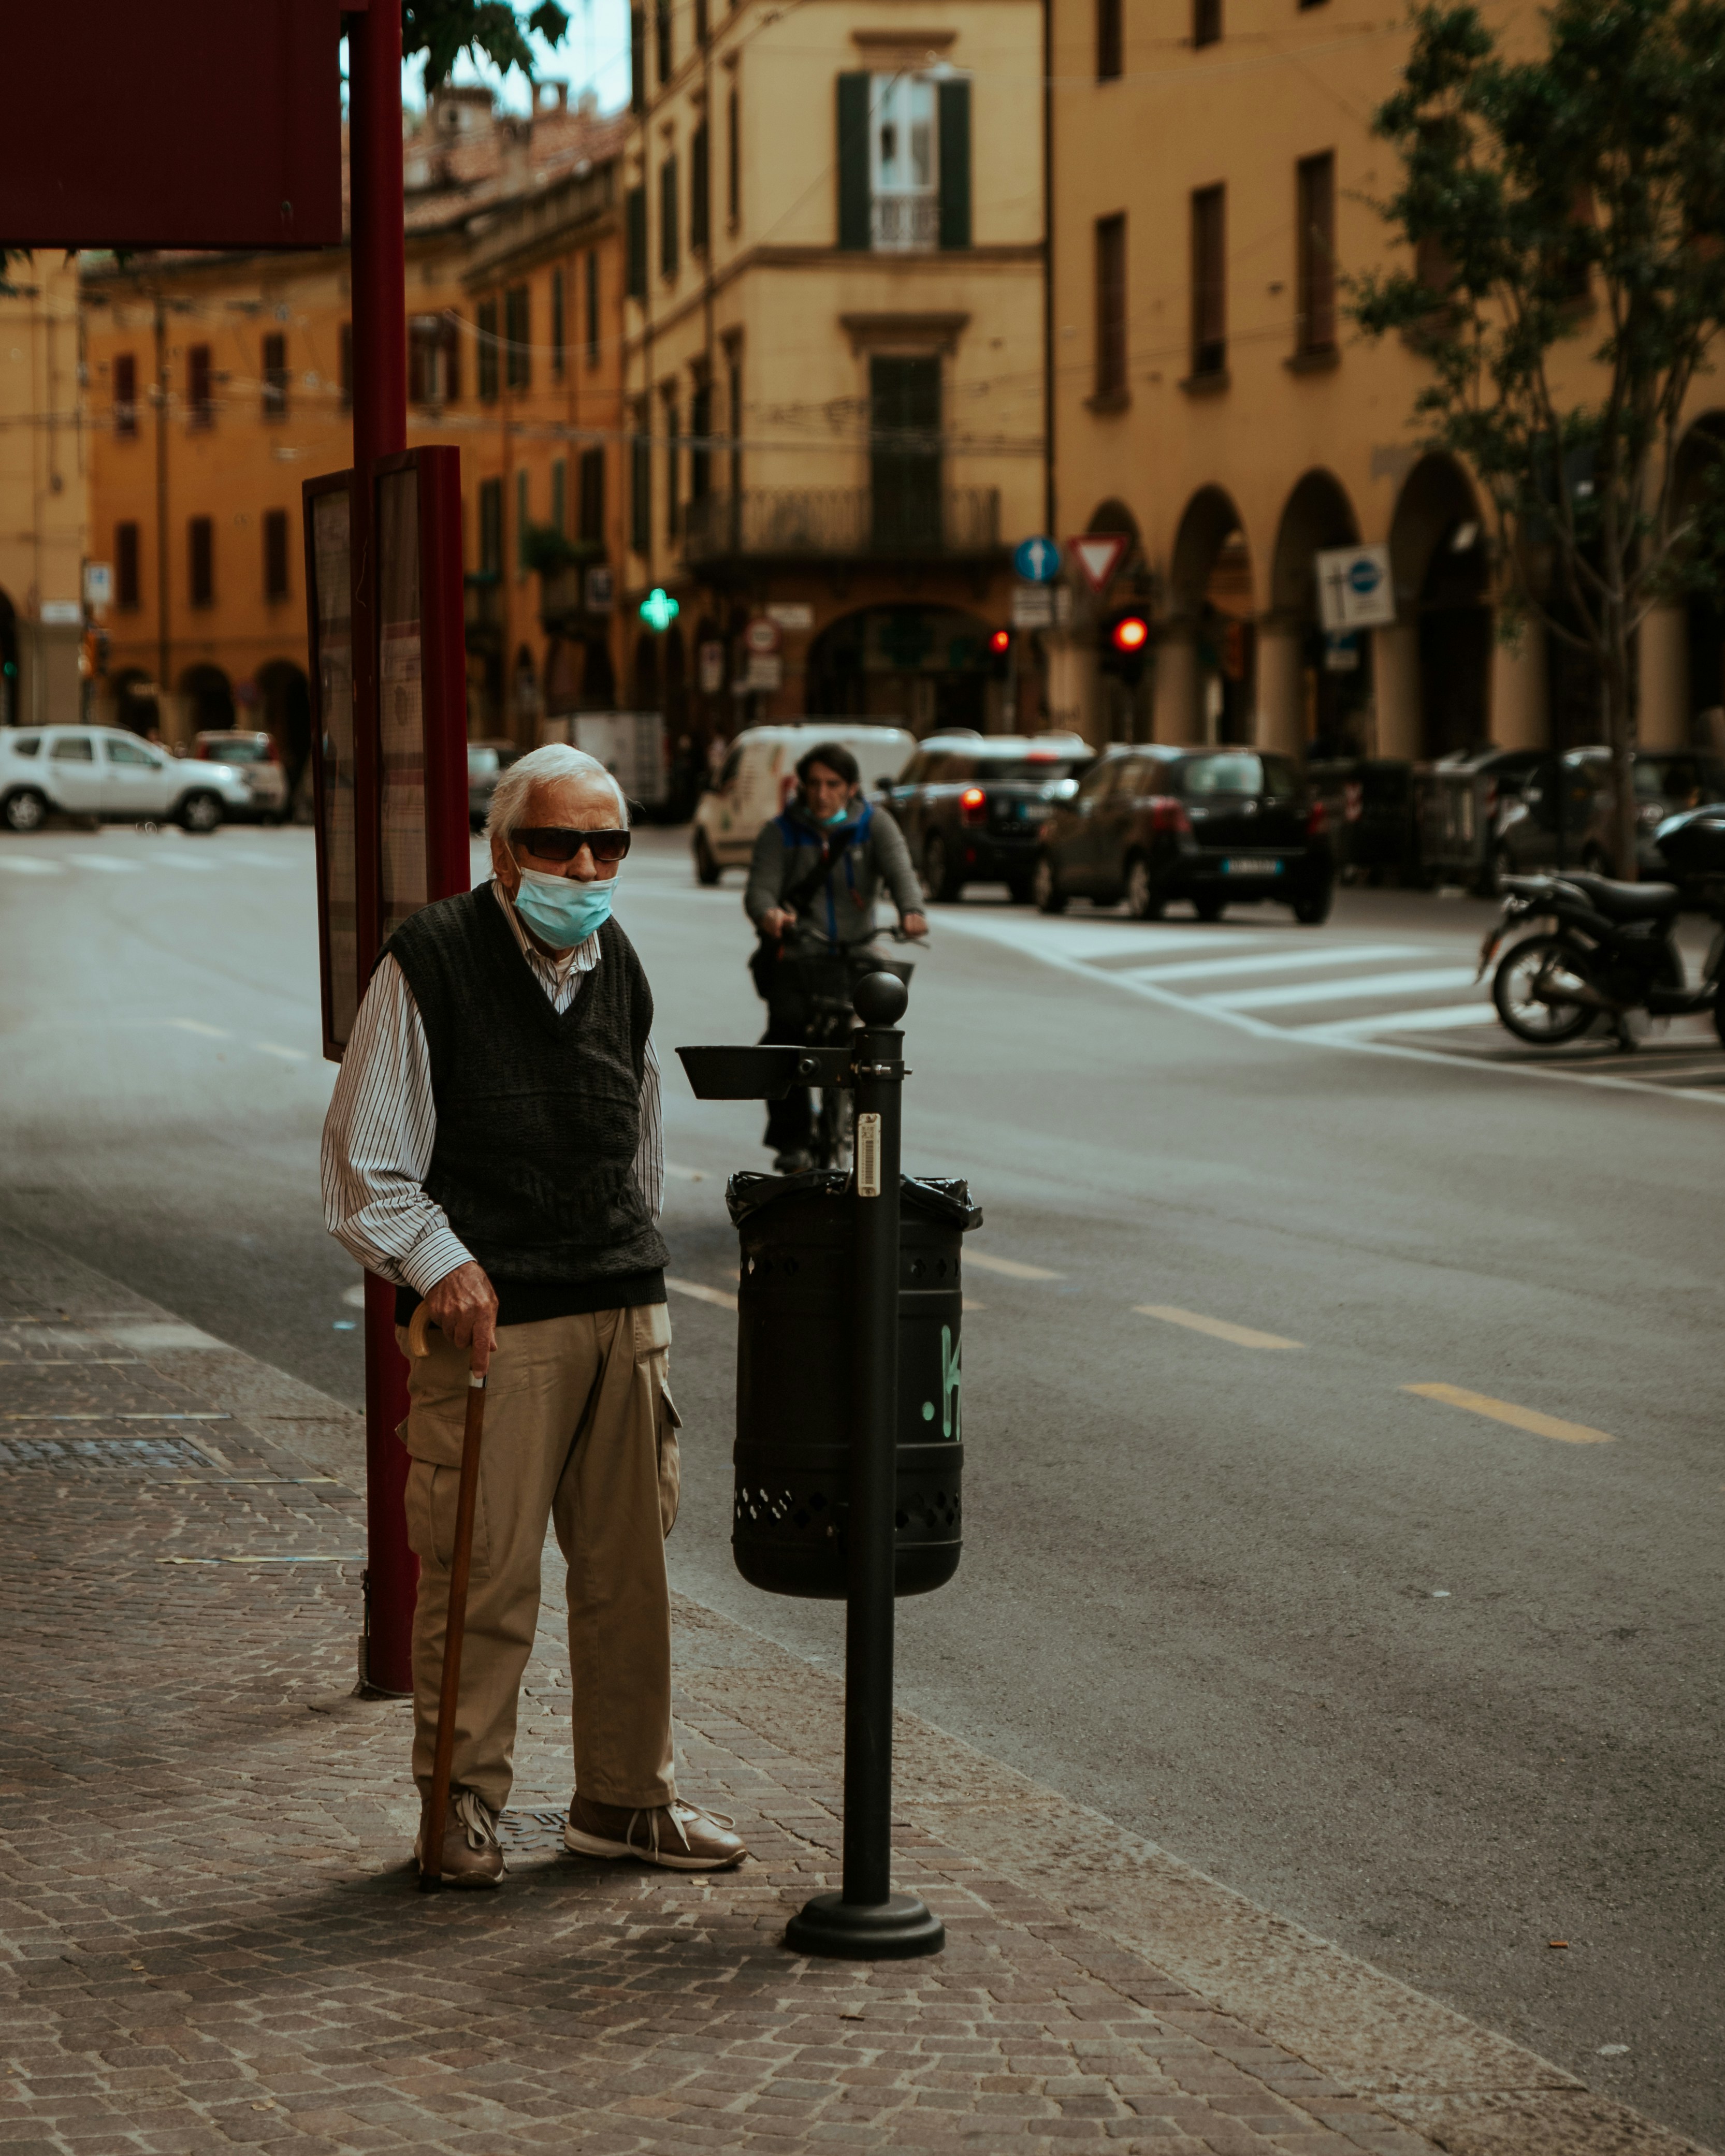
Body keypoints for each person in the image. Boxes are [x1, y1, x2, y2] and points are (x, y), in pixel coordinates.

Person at [321, 742, 745, 1888]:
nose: (586, 864)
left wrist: (636, 1273)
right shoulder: (433, 961)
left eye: (608, 843)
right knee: (481, 1574)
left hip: (619, 1303)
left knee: (630, 1580)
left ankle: (625, 1799)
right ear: (503, 853)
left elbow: (636, 1140)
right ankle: (460, 1805)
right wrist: (445, 1266)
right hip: (492, 1321)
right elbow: (367, 1171)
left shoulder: (622, 964)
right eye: (558, 842)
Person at [744, 740, 927, 1170]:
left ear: (851, 788)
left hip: (857, 955)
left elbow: (901, 872)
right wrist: (769, 914)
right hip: (799, 956)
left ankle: (863, 1129)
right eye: (814, 784)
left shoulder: (874, 826)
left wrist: (912, 911)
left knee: (873, 1045)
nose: (822, 794)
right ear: (802, 787)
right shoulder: (781, 831)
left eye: (833, 784)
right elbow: (760, 889)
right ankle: (791, 1143)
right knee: (783, 1038)